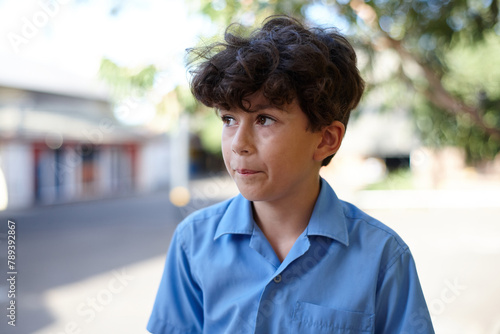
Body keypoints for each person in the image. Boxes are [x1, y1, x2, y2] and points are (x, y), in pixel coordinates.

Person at [147, 15, 434, 334]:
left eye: (264, 119)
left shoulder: (383, 256)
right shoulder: (193, 243)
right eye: (229, 119)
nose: (238, 144)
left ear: (326, 139)